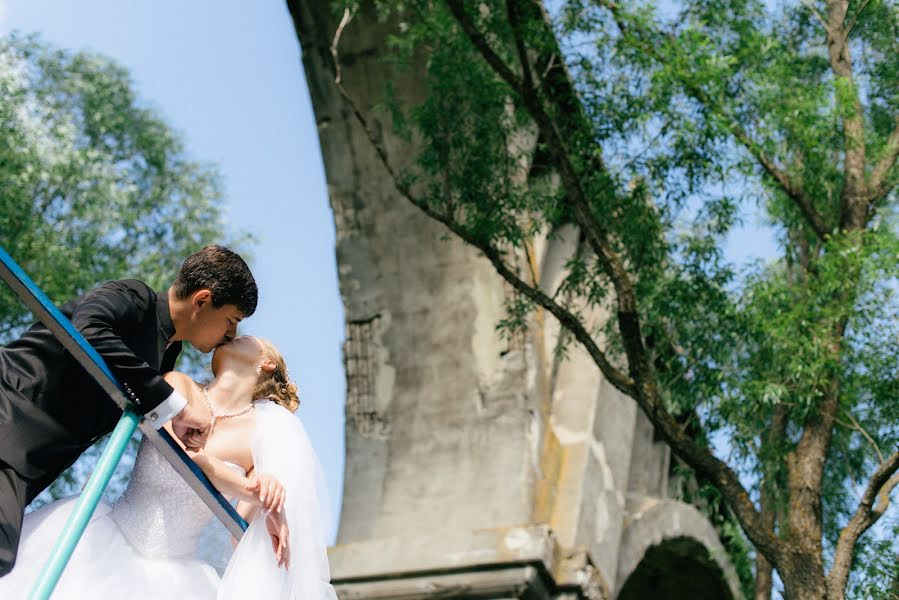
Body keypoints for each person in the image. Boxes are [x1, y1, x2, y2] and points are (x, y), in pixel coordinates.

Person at [0, 335, 336, 599]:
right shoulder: (179, 383)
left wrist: (271, 509)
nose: (235, 333)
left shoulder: (257, 440)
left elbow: (241, 534)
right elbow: (178, 453)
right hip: (103, 538)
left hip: (177, 580)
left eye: (250, 337)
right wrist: (247, 484)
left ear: (266, 363)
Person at [0, 245, 258, 576]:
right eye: (232, 320)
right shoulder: (133, 297)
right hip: (9, 421)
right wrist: (169, 402)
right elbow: (87, 329)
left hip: (33, 462)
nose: (231, 335)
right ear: (203, 300)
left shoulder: (167, 354)